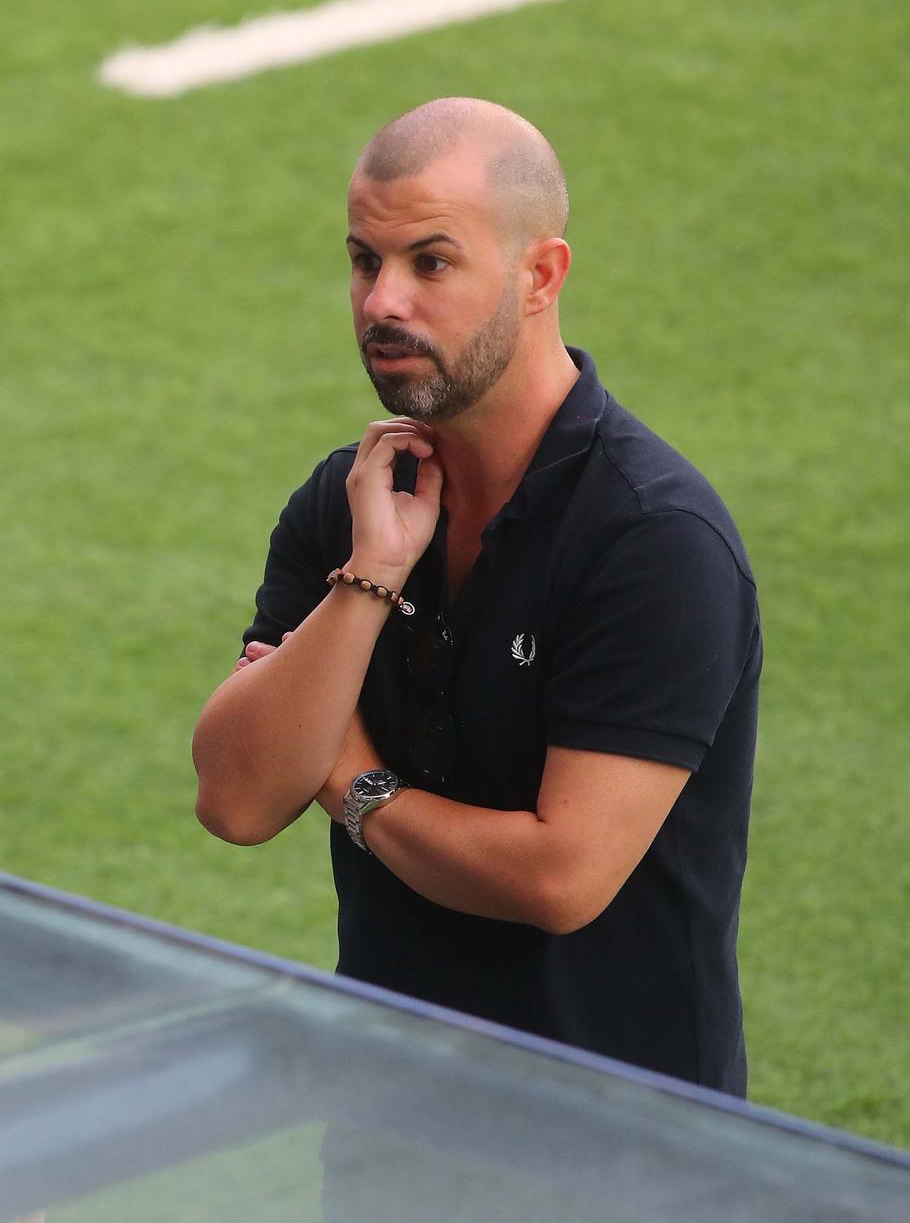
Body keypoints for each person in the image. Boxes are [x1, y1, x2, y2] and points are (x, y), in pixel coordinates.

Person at [192, 99, 761, 1095]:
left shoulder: (651, 542)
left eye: (430, 262)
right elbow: (237, 798)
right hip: (389, 1123)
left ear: (540, 276)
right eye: (363, 260)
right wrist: (367, 577)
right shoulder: (347, 501)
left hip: (624, 1156)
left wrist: (353, 787)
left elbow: (556, 878)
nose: (380, 303)